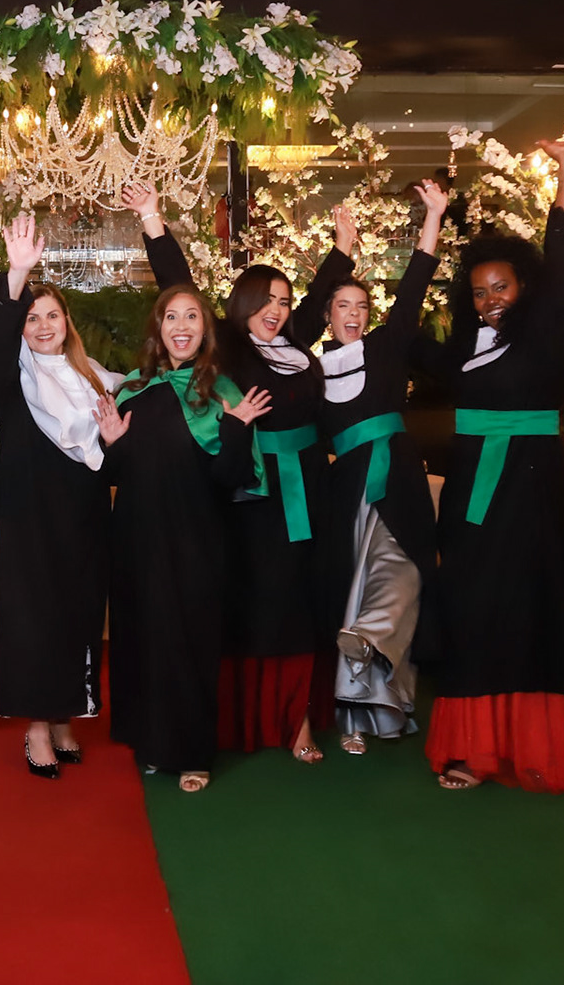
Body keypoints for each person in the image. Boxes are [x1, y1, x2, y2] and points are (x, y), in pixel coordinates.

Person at [122, 180, 340, 765]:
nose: (277, 310)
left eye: (284, 301)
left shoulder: (296, 346)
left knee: (305, 600)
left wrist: (343, 250)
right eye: (265, 300)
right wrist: (151, 218)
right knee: (252, 604)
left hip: (309, 488)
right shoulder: (229, 351)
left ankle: (298, 719)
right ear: (241, 306)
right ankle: (238, 719)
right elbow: (179, 289)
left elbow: (316, 305)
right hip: (250, 492)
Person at [414, 137, 564, 793]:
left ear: (524, 287)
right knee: (470, 608)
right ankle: (471, 750)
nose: (491, 299)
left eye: (501, 287)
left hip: (532, 491)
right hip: (470, 498)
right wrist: (429, 233)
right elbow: (402, 337)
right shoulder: (464, 347)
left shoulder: (546, 335)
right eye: (480, 291)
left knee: (529, 609)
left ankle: (531, 748)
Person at [97, 285, 270, 792]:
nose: (181, 326)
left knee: (190, 643)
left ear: (204, 329)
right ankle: (153, 744)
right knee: (142, 640)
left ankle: (193, 752)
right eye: (171, 317)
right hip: (136, 540)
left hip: (196, 540)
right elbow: (117, 473)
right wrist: (111, 444)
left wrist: (236, 430)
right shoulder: (132, 390)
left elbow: (231, 478)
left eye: (191, 316)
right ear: (158, 328)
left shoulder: (222, 393)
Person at [0, 214, 123, 778]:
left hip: (84, 517)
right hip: (30, 519)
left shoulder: (94, 379)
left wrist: (113, 443)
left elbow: (106, 456)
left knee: (79, 615)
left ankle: (66, 715)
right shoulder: (11, 379)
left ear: (68, 322)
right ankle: (37, 726)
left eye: (52, 316)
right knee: (33, 619)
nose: (43, 326)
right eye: (32, 317)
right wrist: (17, 274)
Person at [311, 182, 447, 754]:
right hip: (345, 487)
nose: (354, 313)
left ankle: (372, 642)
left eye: (362, 306)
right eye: (343, 305)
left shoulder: (388, 347)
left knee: (405, 571)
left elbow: (415, 282)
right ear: (327, 315)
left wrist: (434, 215)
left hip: (399, 477)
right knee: (354, 587)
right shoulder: (310, 373)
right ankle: (354, 720)